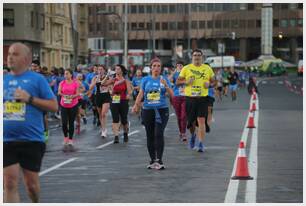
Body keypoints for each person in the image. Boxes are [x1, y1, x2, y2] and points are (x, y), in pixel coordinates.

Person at [4, 43, 58, 202]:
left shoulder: (37, 79)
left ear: (26, 59)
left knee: (31, 185)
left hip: (32, 139)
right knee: (9, 182)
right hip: (6, 139)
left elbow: (54, 106)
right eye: (9, 54)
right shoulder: (3, 80)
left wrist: (30, 99)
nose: (10, 57)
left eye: (15, 54)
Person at [132, 58, 174, 170]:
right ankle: (152, 160)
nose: (156, 68)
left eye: (158, 66)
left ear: (161, 68)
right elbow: (141, 93)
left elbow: (172, 95)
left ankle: (159, 160)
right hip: (147, 110)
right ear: (151, 68)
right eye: (154, 66)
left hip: (161, 110)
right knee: (150, 135)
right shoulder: (145, 80)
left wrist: (166, 85)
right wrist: (136, 105)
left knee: (158, 134)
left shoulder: (164, 79)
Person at [176, 49, 215, 152]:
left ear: (202, 57)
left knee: (201, 120)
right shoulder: (186, 68)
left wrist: (209, 84)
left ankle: (201, 143)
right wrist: (186, 81)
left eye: (199, 55)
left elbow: (214, 82)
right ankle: (193, 135)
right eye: (195, 55)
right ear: (192, 57)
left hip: (203, 98)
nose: (197, 57)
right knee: (191, 122)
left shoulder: (207, 68)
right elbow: (177, 82)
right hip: (190, 99)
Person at [88, 65, 113, 138]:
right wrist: (96, 81)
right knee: (100, 114)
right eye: (99, 69)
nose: (100, 71)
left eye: (101, 69)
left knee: (103, 114)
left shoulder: (108, 77)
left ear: (104, 70)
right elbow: (90, 87)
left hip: (106, 96)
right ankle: (103, 128)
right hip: (98, 96)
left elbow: (107, 84)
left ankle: (104, 130)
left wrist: (110, 89)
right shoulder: (95, 77)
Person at [58, 69, 81, 146]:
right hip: (64, 104)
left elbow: (78, 93)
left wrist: (72, 96)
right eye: (65, 74)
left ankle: (70, 139)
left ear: (71, 75)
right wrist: (64, 95)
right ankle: (65, 137)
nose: (65, 75)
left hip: (73, 104)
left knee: (71, 122)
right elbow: (59, 92)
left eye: (67, 74)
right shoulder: (62, 83)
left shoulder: (75, 83)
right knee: (64, 122)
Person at [110, 64, 133, 143]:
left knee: (124, 120)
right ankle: (116, 136)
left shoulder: (125, 80)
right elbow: (104, 84)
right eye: (116, 69)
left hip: (123, 101)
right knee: (115, 119)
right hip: (114, 100)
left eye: (118, 69)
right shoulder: (113, 80)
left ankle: (125, 133)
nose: (117, 70)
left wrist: (128, 94)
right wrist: (111, 91)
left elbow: (129, 90)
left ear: (122, 71)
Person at [168, 61, 187, 141]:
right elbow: (168, 80)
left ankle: (183, 133)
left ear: (183, 66)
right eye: (178, 65)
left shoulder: (186, 73)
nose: (179, 66)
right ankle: (180, 131)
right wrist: (173, 73)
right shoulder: (175, 74)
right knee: (179, 117)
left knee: (184, 116)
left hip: (185, 96)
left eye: (181, 65)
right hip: (176, 96)